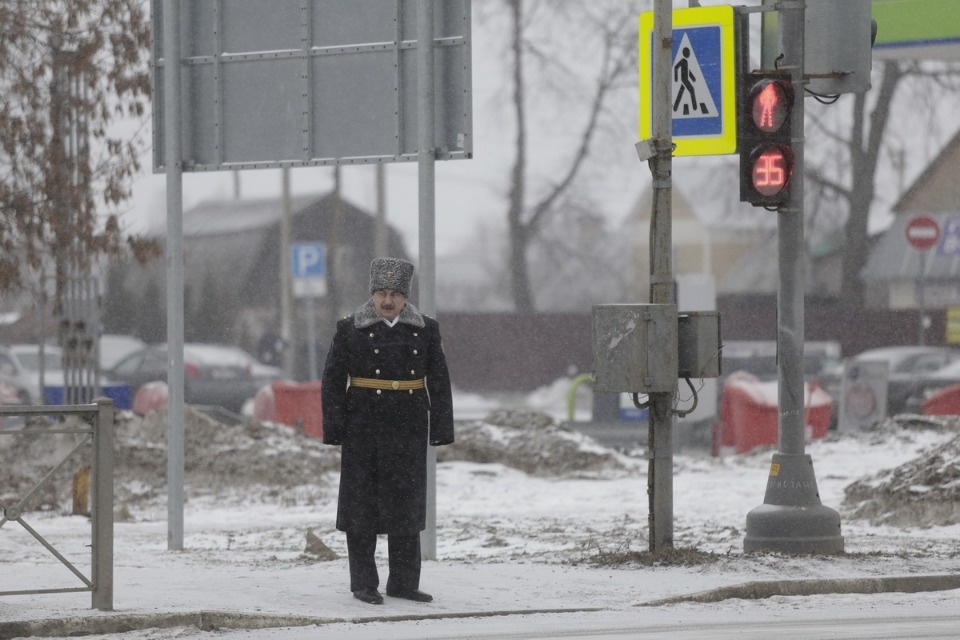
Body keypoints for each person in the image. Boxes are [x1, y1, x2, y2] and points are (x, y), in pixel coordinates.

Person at [321, 257, 454, 605]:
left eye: (395, 293)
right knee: (361, 505)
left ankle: (403, 582)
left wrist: (441, 428)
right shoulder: (350, 328)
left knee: (406, 505)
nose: (387, 300)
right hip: (363, 422)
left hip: (409, 421)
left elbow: (438, 379)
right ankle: (363, 582)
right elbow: (333, 380)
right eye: (381, 292)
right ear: (372, 294)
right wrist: (334, 428)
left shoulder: (426, 329)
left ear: (405, 297)